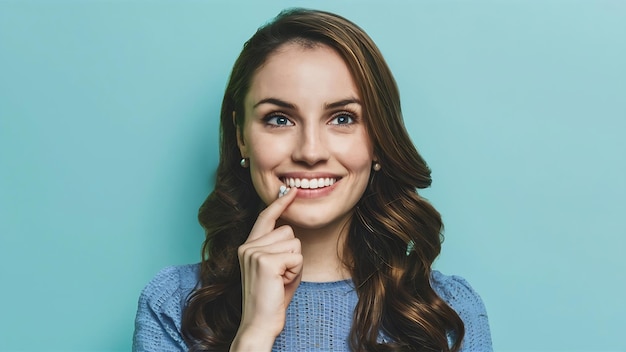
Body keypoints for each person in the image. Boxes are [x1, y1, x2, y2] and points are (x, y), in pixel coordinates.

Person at [133, 8, 492, 352]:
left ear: (380, 140)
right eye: (279, 119)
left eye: (342, 118)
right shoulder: (174, 305)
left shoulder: (447, 312)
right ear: (241, 135)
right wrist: (254, 333)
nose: (310, 151)